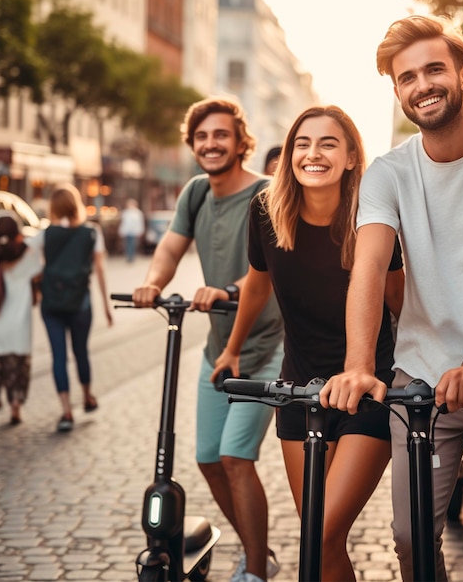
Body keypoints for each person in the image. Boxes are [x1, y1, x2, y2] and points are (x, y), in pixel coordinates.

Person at [320, 14, 463, 581]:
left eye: (434, 69)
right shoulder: (388, 173)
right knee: (410, 539)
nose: (422, 85)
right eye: (407, 77)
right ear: (397, 90)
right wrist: (357, 367)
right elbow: (371, 266)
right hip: (420, 382)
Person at [213, 105, 404, 582]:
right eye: (302, 143)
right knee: (322, 542)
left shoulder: (373, 217)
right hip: (299, 390)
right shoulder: (267, 212)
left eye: (328, 143)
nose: (312, 153)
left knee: (319, 535)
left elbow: (402, 300)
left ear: (352, 157)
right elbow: (257, 284)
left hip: (369, 389)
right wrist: (232, 348)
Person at [132, 97, 284, 582]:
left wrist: (229, 290)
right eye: (201, 136)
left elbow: (271, 269)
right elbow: (170, 248)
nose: (210, 143)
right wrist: (153, 284)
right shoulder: (196, 193)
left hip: (269, 347)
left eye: (221, 135)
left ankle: (256, 571)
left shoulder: (267, 194)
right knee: (206, 459)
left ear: (241, 142)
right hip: (219, 347)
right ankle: (258, 548)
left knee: (235, 455)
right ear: (192, 144)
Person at [33, 183, 113, 432]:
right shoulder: (92, 232)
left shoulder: (44, 234)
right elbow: (99, 270)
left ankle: (66, 411)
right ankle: (88, 396)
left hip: (52, 304)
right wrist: (107, 305)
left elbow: (31, 265)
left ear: (53, 207)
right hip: (81, 303)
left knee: (58, 355)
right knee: (81, 352)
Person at [0, 212, 43, 425]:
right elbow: (41, 238)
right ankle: (16, 407)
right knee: (19, 368)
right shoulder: (29, 256)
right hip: (20, 327)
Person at [118, 198, 145, 262]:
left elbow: (140, 223)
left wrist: (140, 230)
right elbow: (123, 223)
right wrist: (121, 230)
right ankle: (128, 256)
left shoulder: (138, 213)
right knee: (127, 244)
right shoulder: (125, 213)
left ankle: (132, 256)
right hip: (127, 231)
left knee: (133, 244)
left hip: (134, 231)